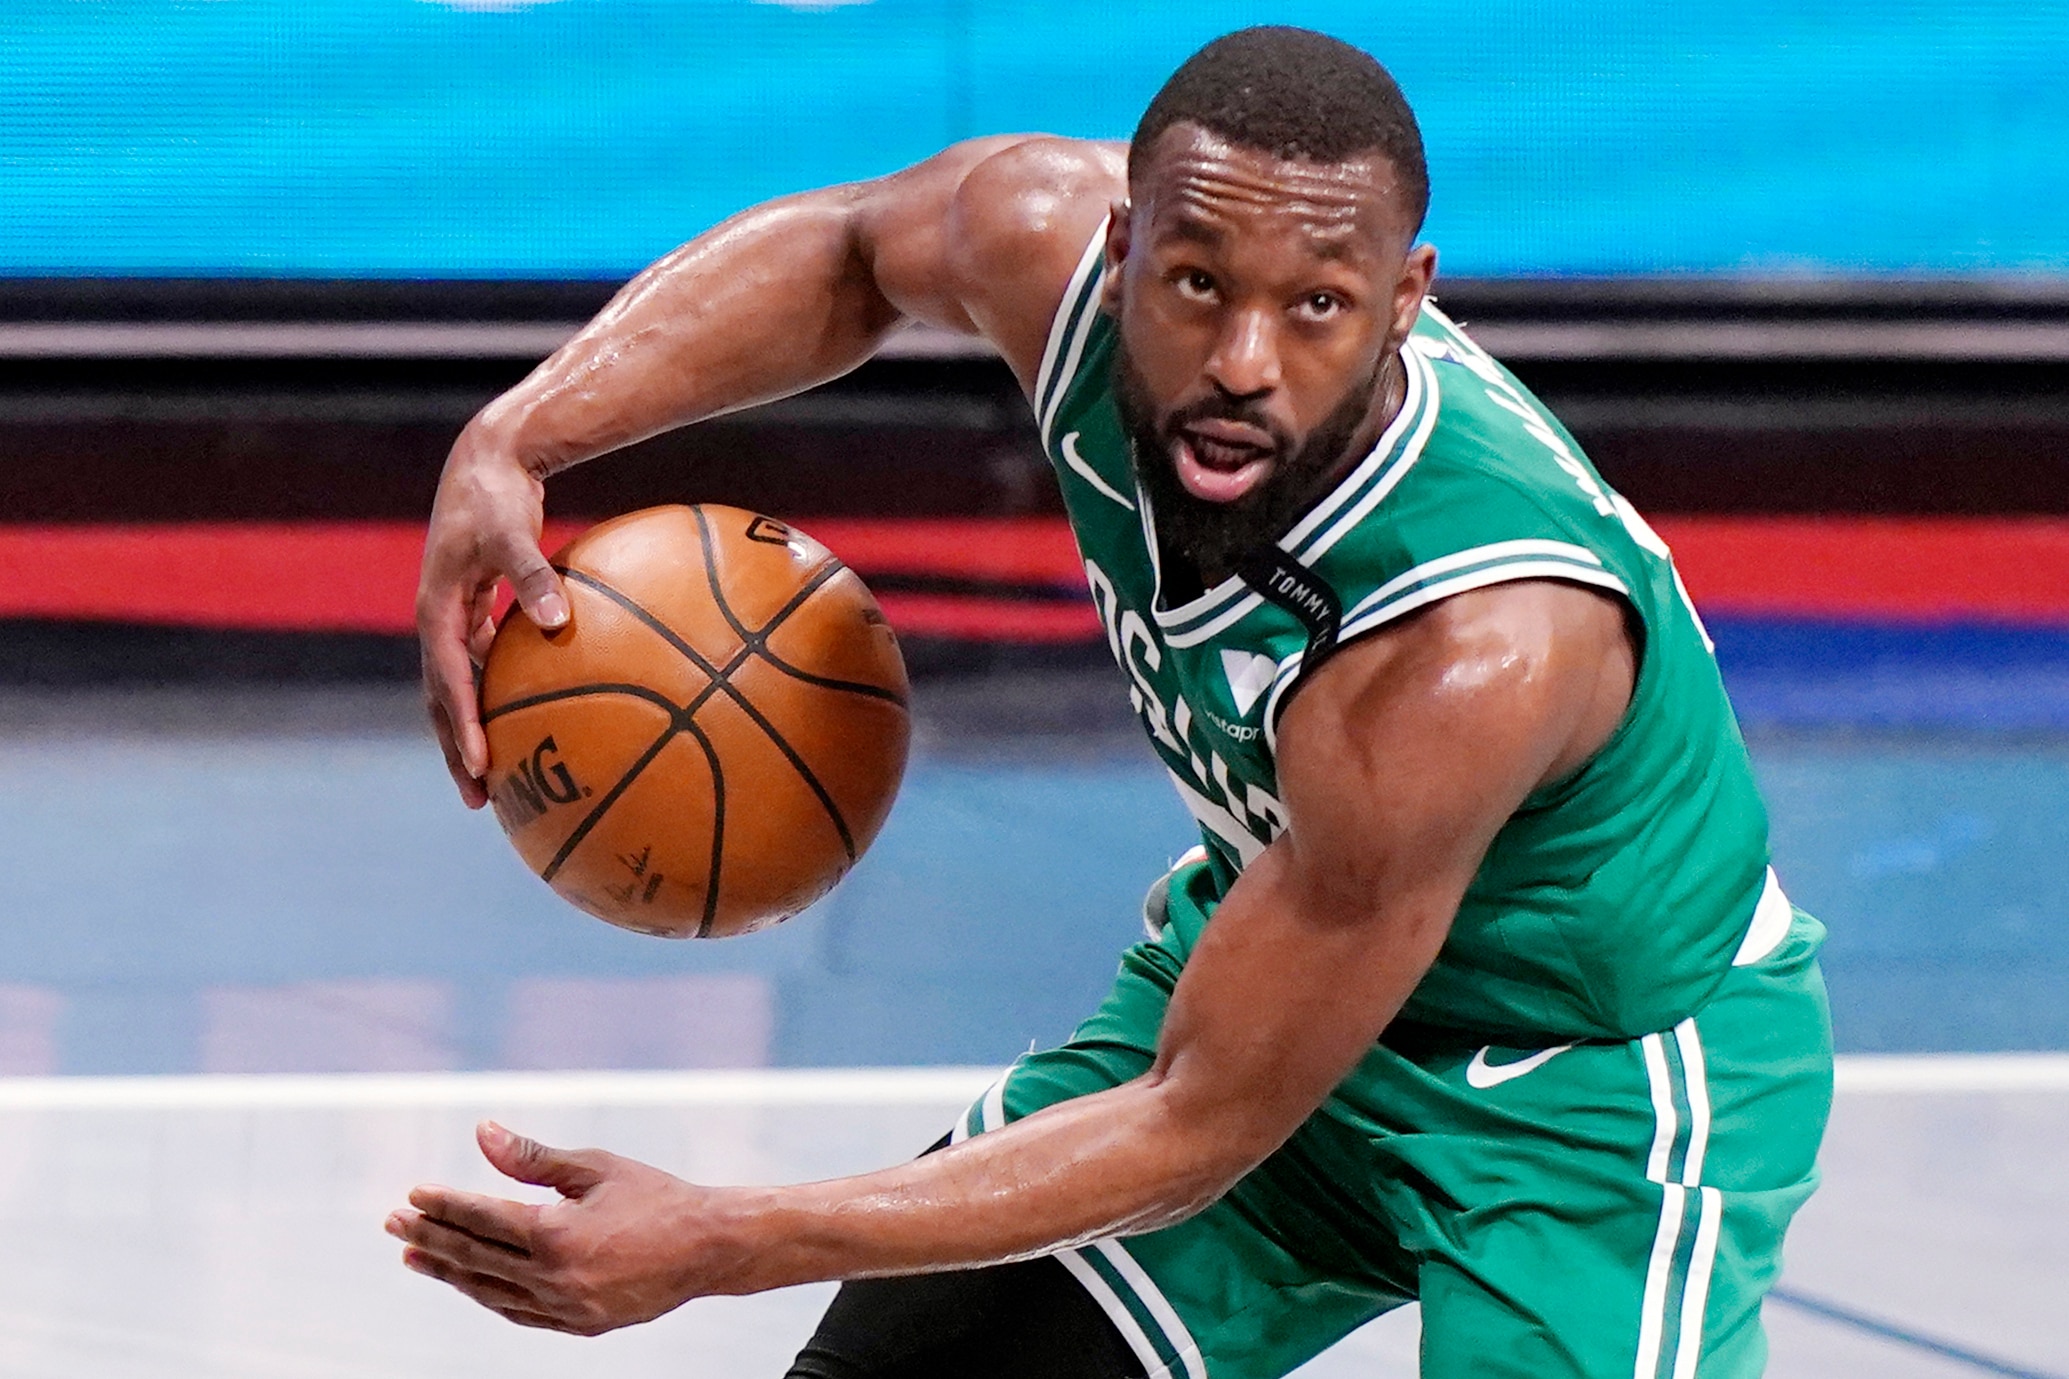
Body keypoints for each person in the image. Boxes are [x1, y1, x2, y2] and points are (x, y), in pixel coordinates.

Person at [394, 26, 1832, 1379]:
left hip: (1581, 1094)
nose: (1241, 363)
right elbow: (845, 254)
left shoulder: (1469, 649)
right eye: (1196, 285)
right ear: (1122, 246)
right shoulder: (1043, 242)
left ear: (1408, 300)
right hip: (1266, 979)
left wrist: (722, 1238)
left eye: (1318, 305)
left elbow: (1196, 1127)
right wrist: (517, 433)